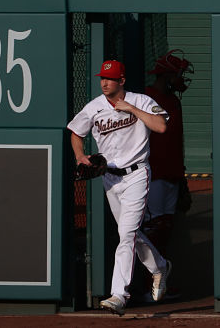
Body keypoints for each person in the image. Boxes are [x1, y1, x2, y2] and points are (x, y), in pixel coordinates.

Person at [67, 60, 171, 316]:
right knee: (131, 234)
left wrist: (132, 109)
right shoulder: (94, 107)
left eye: (110, 78)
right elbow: (75, 132)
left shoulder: (141, 100)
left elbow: (160, 126)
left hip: (137, 174)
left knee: (126, 233)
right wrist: (80, 155)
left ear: (122, 81)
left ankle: (118, 295)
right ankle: (160, 267)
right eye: (102, 77)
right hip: (110, 178)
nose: (104, 82)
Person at [137, 49, 193, 300]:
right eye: (178, 73)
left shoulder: (174, 101)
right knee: (153, 228)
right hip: (154, 173)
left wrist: (182, 181)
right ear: (166, 74)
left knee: (166, 228)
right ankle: (148, 286)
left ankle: (161, 286)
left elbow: (178, 141)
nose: (181, 78)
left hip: (172, 173)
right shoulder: (146, 97)